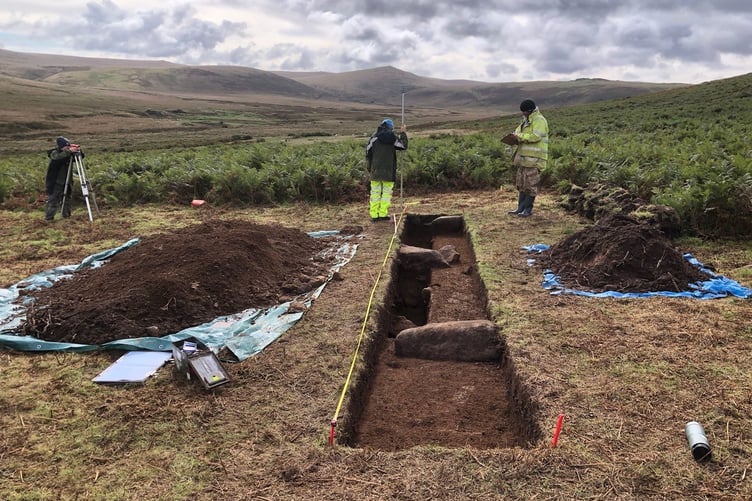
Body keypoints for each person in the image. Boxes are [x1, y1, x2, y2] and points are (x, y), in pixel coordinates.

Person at [505, 99, 549, 217]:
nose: (523, 114)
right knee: (521, 184)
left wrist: (518, 136)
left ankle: (527, 210)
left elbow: (536, 136)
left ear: (530, 110)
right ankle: (520, 208)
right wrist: (513, 136)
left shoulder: (539, 120)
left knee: (530, 184)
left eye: (524, 112)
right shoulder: (525, 121)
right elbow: (519, 133)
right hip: (523, 159)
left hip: (534, 159)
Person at [365, 118, 408, 222]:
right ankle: (383, 214)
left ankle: (374, 215)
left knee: (375, 193)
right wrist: (403, 133)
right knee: (386, 194)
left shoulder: (374, 138)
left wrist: (369, 167)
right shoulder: (392, 138)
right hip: (389, 171)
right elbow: (402, 146)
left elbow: (368, 152)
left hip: (375, 170)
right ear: (391, 127)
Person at [45, 136, 83, 222]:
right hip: (56, 181)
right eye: (66, 146)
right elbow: (57, 158)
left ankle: (66, 216)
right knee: (53, 200)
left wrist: (78, 150)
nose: (68, 148)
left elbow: (81, 157)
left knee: (67, 199)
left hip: (67, 180)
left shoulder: (68, 154)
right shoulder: (55, 153)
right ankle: (49, 218)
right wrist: (69, 151)